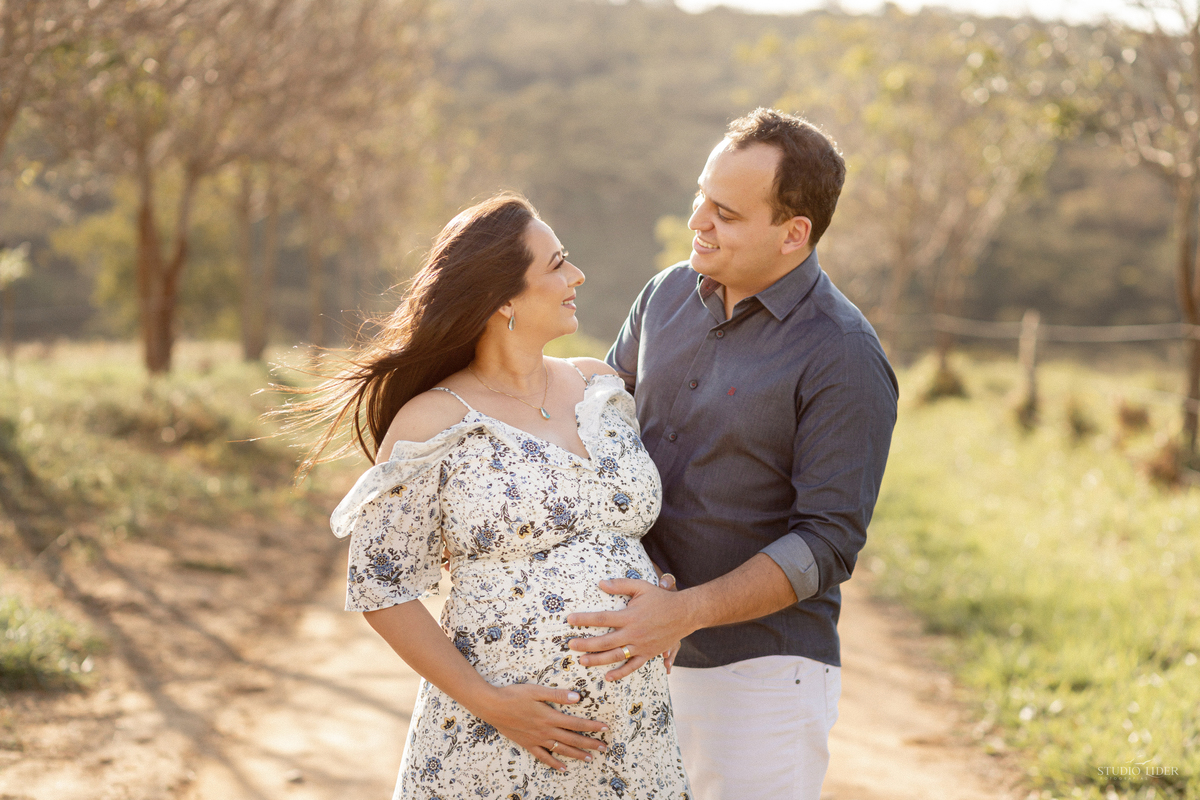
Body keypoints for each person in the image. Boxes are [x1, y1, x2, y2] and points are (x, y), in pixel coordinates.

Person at [308, 193, 691, 800]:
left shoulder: (601, 387)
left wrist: (665, 600)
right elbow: (381, 589)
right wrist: (494, 705)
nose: (577, 276)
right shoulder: (432, 421)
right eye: (557, 263)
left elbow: (631, 528)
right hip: (494, 743)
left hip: (633, 739)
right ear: (503, 299)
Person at [565, 108, 899, 799]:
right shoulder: (661, 297)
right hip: (629, 660)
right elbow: (599, 434)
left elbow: (828, 540)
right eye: (700, 198)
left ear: (793, 233)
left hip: (762, 679)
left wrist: (683, 612)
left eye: (726, 213)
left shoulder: (843, 353)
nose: (698, 223)